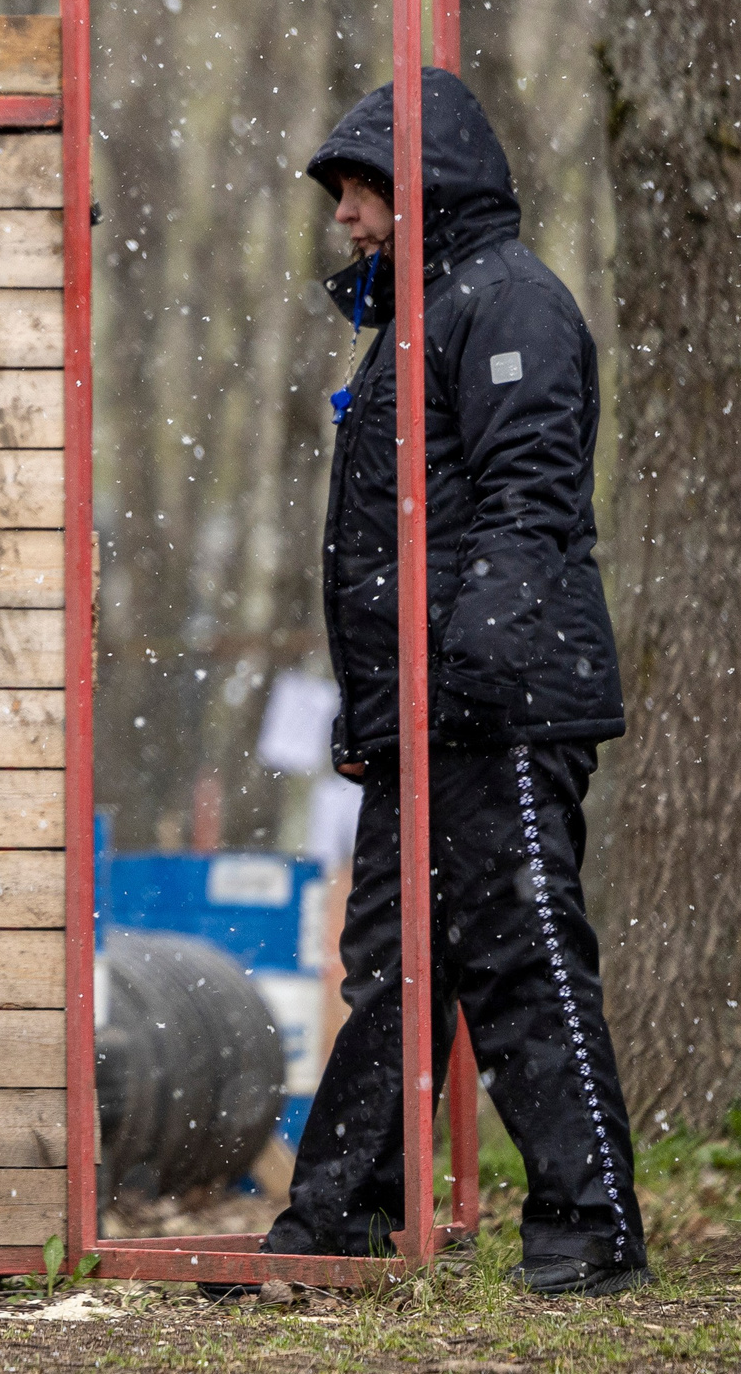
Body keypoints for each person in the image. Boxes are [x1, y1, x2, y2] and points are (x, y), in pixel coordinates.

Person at [244, 68, 647, 1296]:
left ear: (421, 191)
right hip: (431, 710)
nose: (345, 221)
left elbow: (526, 507)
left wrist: (461, 673)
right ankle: (339, 1224)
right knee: (395, 965)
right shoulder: (419, 317)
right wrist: (385, 717)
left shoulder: (507, 303)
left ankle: (591, 1228)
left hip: (498, 704)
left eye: (360, 194)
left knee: (518, 953)